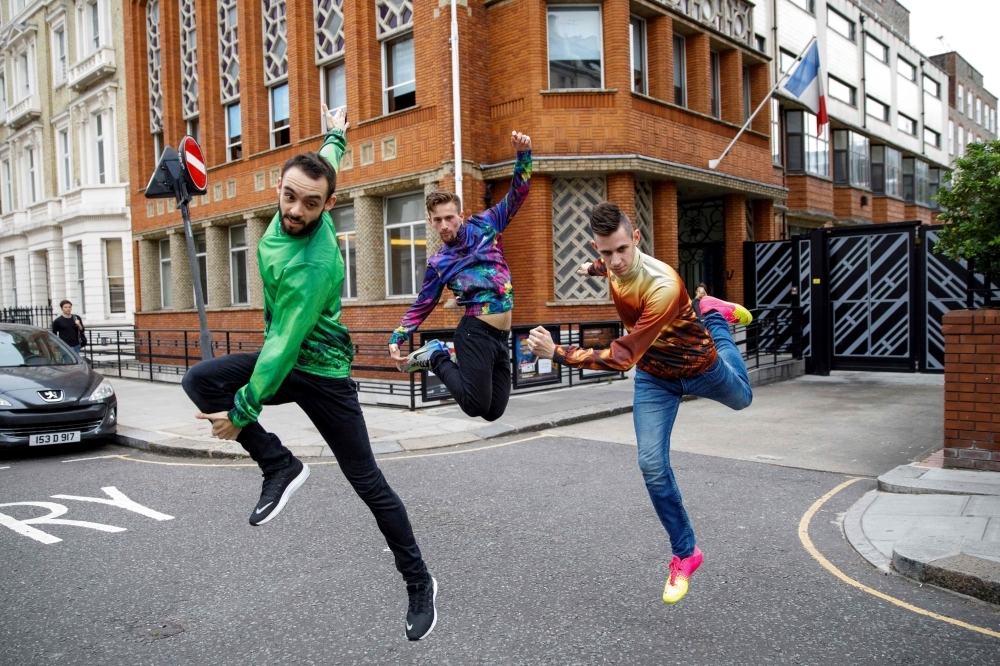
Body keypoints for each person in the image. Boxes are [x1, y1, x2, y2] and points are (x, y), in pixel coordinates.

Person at [181, 104, 438, 641]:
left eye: (311, 204)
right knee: (199, 381)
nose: (296, 210)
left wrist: (242, 413)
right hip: (286, 357)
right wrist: (337, 134)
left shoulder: (314, 265)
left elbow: (280, 346)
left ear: (331, 206)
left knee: (368, 483)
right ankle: (279, 464)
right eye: (289, 196)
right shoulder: (302, 188)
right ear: (281, 186)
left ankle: (419, 582)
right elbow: (322, 160)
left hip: (319, 372)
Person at [525, 202, 753, 605]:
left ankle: (714, 316)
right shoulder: (611, 265)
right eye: (604, 253)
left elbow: (620, 357)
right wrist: (591, 269)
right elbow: (611, 272)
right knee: (650, 463)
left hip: (700, 366)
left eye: (621, 251)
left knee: (744, 398)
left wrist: (556, 352)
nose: (614, 261)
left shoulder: (661, 285)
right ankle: (686, 553)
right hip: (655, 378)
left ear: (636, 239)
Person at [387, 131, 532, 421]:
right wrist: (398, 336)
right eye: (437, 219)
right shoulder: (439, 262)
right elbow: (424, 303)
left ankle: (438, 356)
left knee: (493, 411)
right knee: (474, 406)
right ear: (430, 220)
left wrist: (523, 154)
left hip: (501, 335)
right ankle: (436, 356)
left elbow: (518, 194)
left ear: (461, 215)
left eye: (449, 217)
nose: (444, 225)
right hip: (474, 333)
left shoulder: (487, 224)